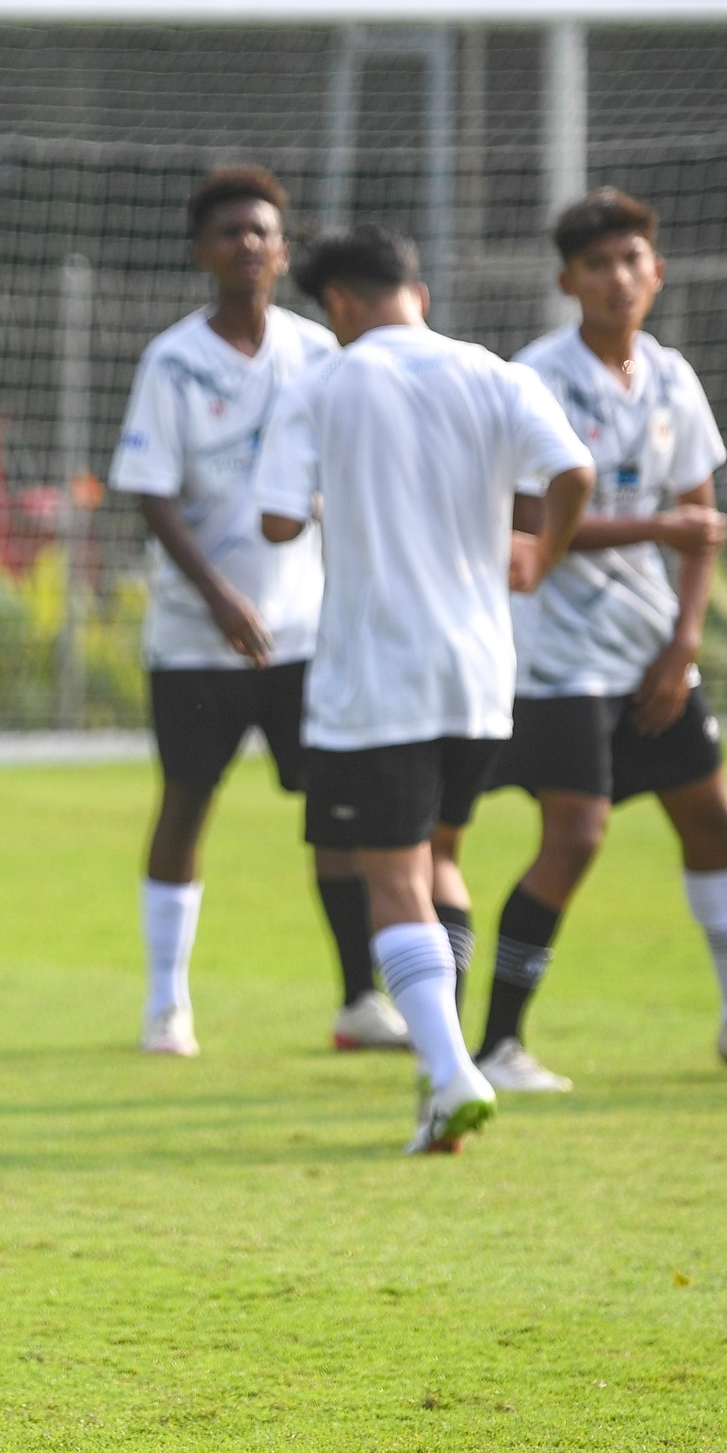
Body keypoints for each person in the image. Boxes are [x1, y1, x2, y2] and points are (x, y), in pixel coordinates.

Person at [468, 189, 727, 1093]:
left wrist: (684, 645)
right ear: (568, 281)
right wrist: (655, 531)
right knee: (577, 833)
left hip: (650, 648)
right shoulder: (538, 378)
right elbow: (527, 528)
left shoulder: (674, 375)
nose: (617, 278)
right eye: (597, 265)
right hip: (557, 654)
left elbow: (702, 522)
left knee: (714, 815)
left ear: (658, 270)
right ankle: (497, 1045)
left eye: (632, 259)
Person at [255, 224, 592, 1154]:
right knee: (441, 860)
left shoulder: (325, 379)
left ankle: (449, 1070)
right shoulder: (496, 372)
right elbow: (575, 471)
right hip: (482, 676)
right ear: (419, 291)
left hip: (378, 676)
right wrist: (542, 551)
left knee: (393, 877)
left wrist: (341, 494)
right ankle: (441, 1071)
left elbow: (277, 520)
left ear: (342, 306)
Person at [109, 167, 407, 1059]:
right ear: (202, 252)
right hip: (198, 639)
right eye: (230, 232)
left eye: (263, 231)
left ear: (284, 250)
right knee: (186, 806)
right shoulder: (174, 360)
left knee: (340, 812)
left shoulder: (320, 351)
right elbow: (150, 495)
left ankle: (360, 998)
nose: (247, 244)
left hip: (308, 634)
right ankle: (167, 1004)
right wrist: (220, 599)